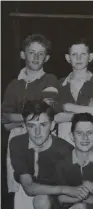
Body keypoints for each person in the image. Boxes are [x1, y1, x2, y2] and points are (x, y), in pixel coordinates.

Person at [9, 100, 77, 209]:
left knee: (42, 202)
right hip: (31, 195)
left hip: (57, 204)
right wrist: (63, 189)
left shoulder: (65, 149)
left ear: (53, 125)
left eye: (43, 125)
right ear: (24, 126)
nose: (37, 131)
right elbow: (29, 188)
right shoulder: (17, 143)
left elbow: (74, 191)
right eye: (31, 126)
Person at [2, 34, 58, 194]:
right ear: (22, 54)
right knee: (17, 192)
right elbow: (5, 122)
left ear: (46, 58)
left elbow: (46, 115)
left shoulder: (50, 80)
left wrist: (15, 117)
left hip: (43, 140)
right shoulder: (13, 85)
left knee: (43, 191)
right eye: (32, 52)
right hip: (16, 139)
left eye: (41, 54)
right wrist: (28, 119)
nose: (36, 57)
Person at [54, 39, 93, 145]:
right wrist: (89, 111)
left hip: (90, 139)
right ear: (68, 58)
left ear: (90, 57)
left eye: (83, 54)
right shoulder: (59, 84)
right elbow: (55, 117)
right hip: (64, 138)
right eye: (74, 54)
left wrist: (67, 107)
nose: (78, 58)